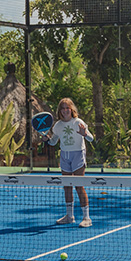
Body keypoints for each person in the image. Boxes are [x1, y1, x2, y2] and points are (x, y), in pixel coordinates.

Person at [42, 97, 95, 227]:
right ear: (59, 111)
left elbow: (91, 139)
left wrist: (84, 133)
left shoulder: (78, 122)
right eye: (63, 108)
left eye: (67, 108)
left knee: (78, 185)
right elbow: (53, 142)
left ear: (71, 109)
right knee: (67, 186)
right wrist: (46, 139)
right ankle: (69, 216)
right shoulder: (58, 125)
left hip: (78, 154)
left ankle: (86, 218)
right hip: (64, 155)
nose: (65, 111)